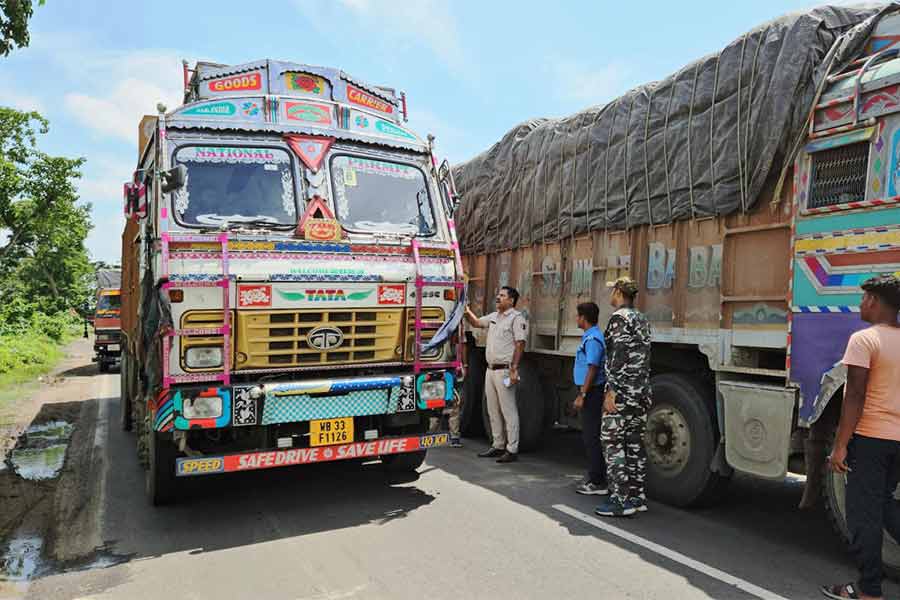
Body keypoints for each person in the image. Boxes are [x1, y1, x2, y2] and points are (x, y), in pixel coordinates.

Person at [822, 275, 900, 600]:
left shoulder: (863, 339)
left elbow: (854, 395)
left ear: (874, 301)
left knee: (863, 514)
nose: (859, 304)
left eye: (863, 297)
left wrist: (840, 445)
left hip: (871, 439)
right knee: (884, 504)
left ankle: (868, 590)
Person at [596, 277, 652, 517]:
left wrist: (611, 391)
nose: (610, 295)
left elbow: (617, 357)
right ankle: (636, 497)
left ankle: (619, 499)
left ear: (619, 292)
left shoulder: (619, 319)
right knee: (634, 444)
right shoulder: (641, 319)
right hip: (640, 391)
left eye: (612, 291)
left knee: (612, 443)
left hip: (622, 391)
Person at [464, 286, 528, 463]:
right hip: (490, 370)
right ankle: (498, 444)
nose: (498, 298)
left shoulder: (516, 318)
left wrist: (514, 368)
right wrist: (465, 309)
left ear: (511, 301)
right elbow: (476, 323)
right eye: (498, 294)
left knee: (508, 410)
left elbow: (520, 343)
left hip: (505, 370)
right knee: (493, 409)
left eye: (502, 295)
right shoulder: (494, 316)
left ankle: (512, 449)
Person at [573, 301, 608, 495]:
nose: (576, 319)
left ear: (583, 318)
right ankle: (597, 477)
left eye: (578, 316)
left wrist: (582, 394)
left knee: (592, 437)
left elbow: (593, 367)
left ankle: (597, 481)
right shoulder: (590, 337)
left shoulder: (593, 338)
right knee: (591, 435)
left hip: (592, 392)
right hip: (591, 391)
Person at [429, 329, 466, 448]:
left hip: (446, 371)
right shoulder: (454, 330)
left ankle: (431, 435)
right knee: (445, 406)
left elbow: (461, 347)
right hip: (444, 371)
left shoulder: (453, 331)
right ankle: (450, 436)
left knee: (446, 405)